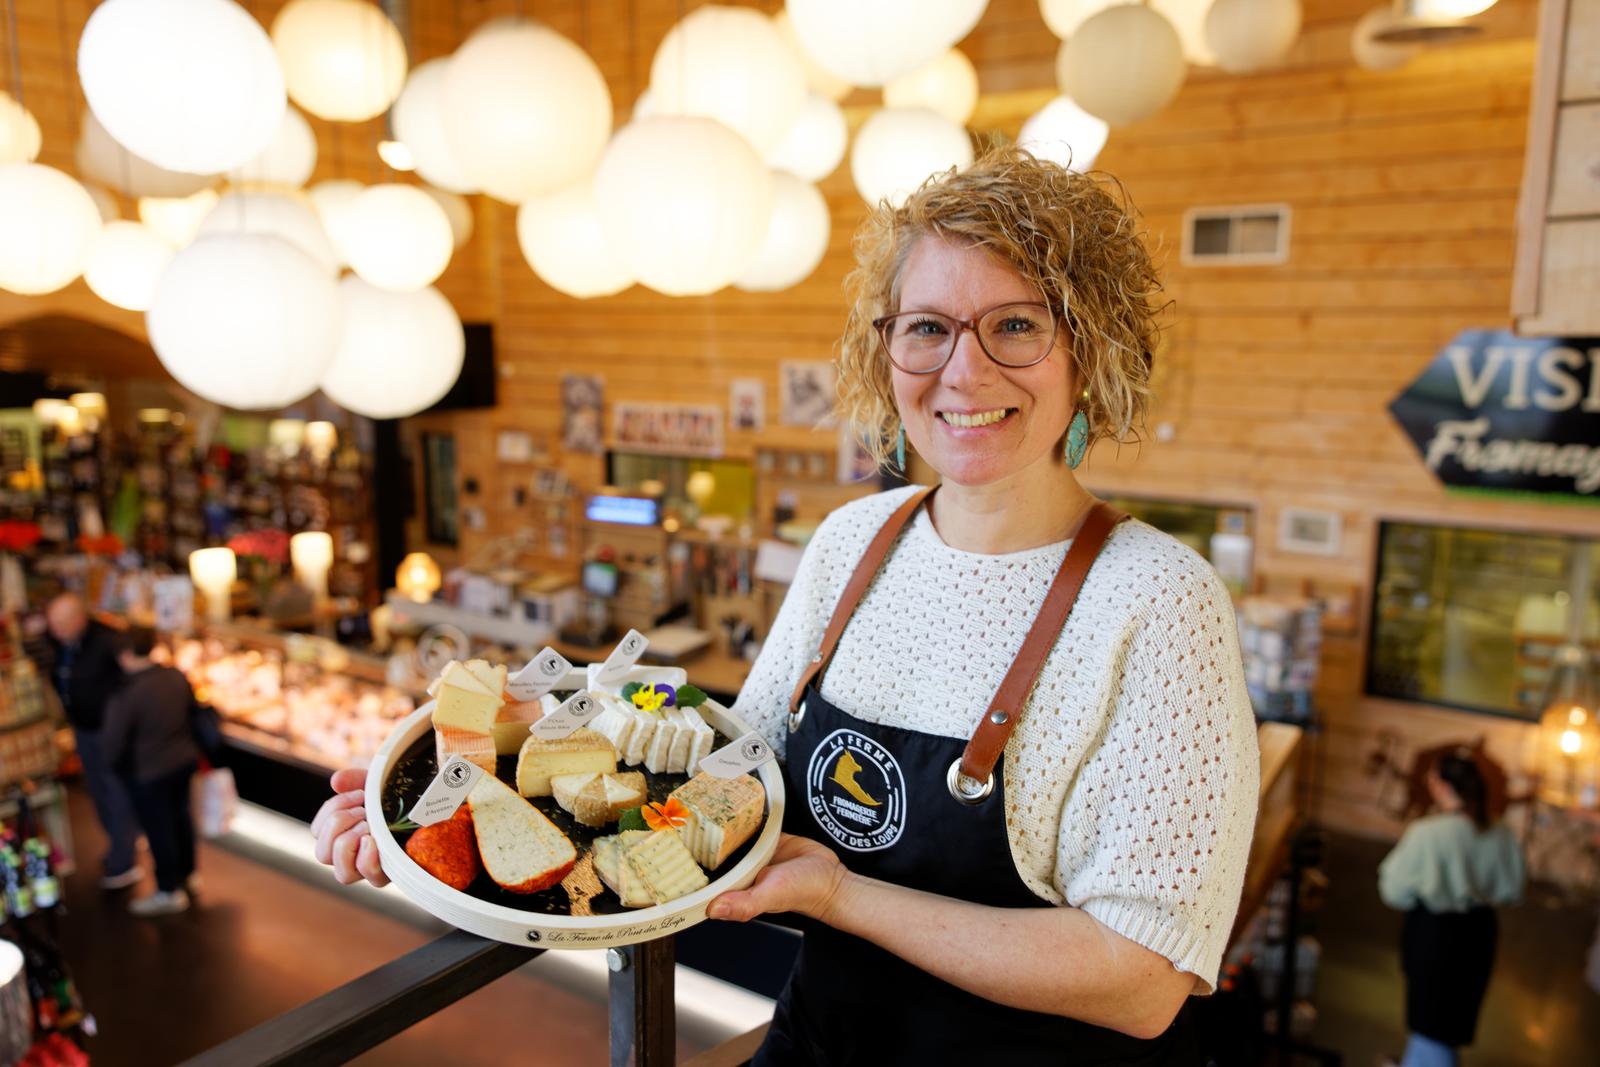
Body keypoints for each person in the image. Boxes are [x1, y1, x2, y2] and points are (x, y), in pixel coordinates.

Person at [313, 145, 1261, 1063]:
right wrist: (443, 809)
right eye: (926, 327)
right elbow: (729, 765)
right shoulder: (858, 540)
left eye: (1016, 325)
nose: (963, 372)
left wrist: (841, 898)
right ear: (885, 351)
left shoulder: (1159, 599)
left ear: (1088, 350)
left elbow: (1140, 981)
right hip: (818, 1041)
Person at [1379, 748, 1525, 1067]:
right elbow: (1513, 888)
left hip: (1435, 935)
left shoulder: (1427, 833)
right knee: (1450, 1020)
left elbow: (1394, 890)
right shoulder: (1500, 831)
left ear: (1443, 786)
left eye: (1432, 776)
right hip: (1480, 933)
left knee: (1432, 1022)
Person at [101, 626, 203, 917]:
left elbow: (112, 744)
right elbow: (192, 712)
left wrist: (115, 768)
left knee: (159, 830)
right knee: (181, 819)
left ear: (127, 654)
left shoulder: (128, 693)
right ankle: (189, 875)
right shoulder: (174, 675)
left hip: (149, 772)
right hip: (183, 761)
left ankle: (168, 891)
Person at [43, 592, 140, 889]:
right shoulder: (60, 643)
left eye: (61, 624)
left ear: (79, 619)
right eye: (53, 624)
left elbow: (130, 684)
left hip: (108, 732)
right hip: (83, 729)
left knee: (116, 792)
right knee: (98, 791)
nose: (56, 630)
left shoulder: (107, 642)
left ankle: (124, 859)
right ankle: (118, 847)